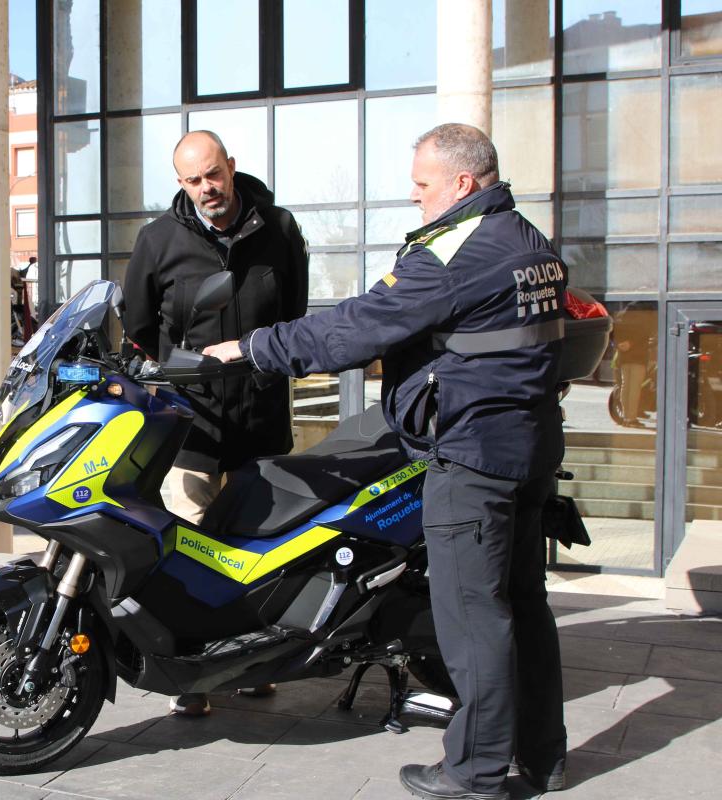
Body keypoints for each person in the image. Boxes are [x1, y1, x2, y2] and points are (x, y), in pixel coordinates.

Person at [205, 124, 568, 800]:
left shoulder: (453, 251)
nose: (415, 196)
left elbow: (356, 327)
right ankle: (542, 757)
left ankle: (476, 773)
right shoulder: (531, 244)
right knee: (524, 605)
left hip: (470, 457)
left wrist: (253, 348)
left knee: (474, 618)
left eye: (424, 184)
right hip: (531, 448)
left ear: (463, 182)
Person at [122, 130, 308, 717]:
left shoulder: (280, 229)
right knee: (189, 545)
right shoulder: (157, 240)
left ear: (231, 166)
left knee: (261, 546)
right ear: (180, 183)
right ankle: (193, 677)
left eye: (214, 174)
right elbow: (138, 323)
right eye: (193, 180)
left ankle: (257, 664)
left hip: (262, 417)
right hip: (191, 422)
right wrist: (180, 371)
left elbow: (295, 315)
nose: (207, 188)